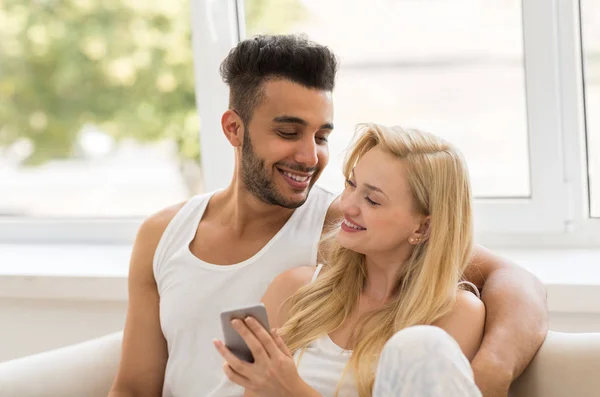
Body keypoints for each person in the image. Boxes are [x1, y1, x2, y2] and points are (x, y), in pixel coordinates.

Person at [108, 35, 548, 397]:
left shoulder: (341, 223)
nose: (310, 156)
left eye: (321, 136)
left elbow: (510, 278)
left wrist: (492, 368)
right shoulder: (164, 234)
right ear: (233, 129)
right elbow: (133, 387)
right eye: (288, 132)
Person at [212, 123, 485, 397]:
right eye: (351, 184)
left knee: (419, 343)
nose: (347, 205)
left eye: (373, 200)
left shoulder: (454, 315)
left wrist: (291, 389)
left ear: (422, 228)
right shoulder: (295, 290)